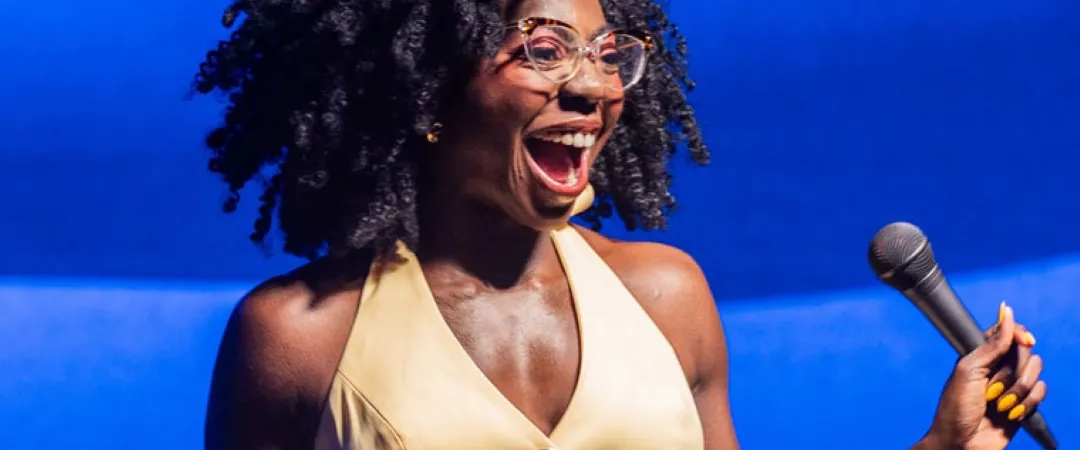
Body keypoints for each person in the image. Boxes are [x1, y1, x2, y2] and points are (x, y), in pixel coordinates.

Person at [195, 0, 1049, 448]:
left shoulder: (664, 298)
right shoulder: (300, 341)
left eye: (608, 54)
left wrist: (945, 446)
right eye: (543, 49)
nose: (595, 87)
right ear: (430, 94)